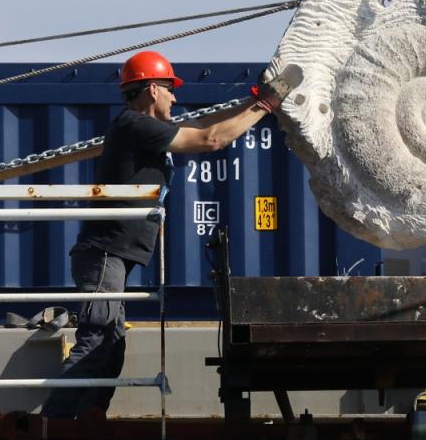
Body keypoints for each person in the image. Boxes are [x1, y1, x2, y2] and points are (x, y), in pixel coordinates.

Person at [41, 50, 297, 420]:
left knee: (113, 344)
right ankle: (54, 423)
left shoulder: (143, 130)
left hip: (114, 254)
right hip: (103, 254)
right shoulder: (134, 125)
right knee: (97, 338)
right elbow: (211, 138)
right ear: (150, 90)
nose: (175, 97)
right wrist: (266, 105)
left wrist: (253, 103)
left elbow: (210, 125)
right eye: (169, 88)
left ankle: (91, 416)